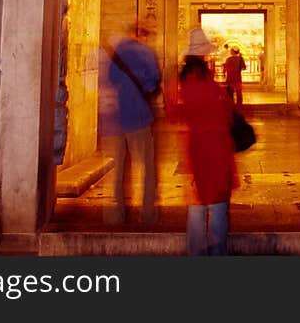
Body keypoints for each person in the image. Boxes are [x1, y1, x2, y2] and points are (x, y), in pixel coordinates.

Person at [177, 27, 238, 255]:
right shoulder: (201, 79)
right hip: (213, 147)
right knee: (217, 205)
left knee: (197, 204)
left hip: (197, 146)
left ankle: (197, 253)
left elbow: (181, 113)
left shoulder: (187, 77)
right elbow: (215, 112)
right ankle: (215, 253)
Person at [100, 21, 162, 226]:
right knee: (146, 166)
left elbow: (110, 78)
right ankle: (147, 213)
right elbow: (154, 80)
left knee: (118, 168)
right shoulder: (146, 53)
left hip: (117, 118)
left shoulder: (117, 52)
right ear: (143, 35)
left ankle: (116, 214)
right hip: (140, 116)